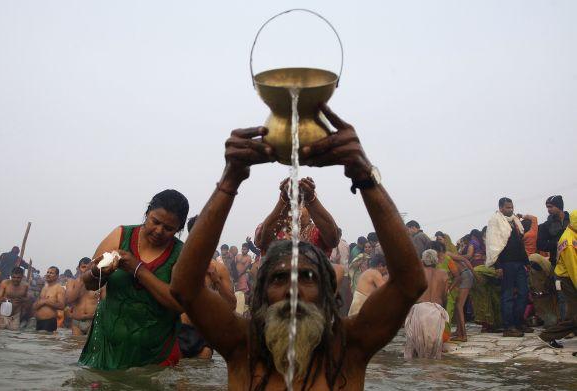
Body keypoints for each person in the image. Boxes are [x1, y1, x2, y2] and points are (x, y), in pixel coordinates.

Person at [170, 106, 427, 390]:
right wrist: (231, 177)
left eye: (307, 277)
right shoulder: (243, 345)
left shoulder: (349, 347)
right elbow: (185, 287)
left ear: (328, 292)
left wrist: (363, 176)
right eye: (279, 278)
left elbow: (409, 283)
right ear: (261, 292)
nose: (293, 290)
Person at [79, 189, 188, 370]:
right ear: (146, 214)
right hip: (106, 347)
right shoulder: (120, 235)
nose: (159, 231)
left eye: (169, 228)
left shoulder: (182, 254)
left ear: (179, 229)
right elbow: (89, 283)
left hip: (155, 353)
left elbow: (179, 304)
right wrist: (100, 272)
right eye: (155, 221)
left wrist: (137, 269)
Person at [179, 215, 236, 360]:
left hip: (203, 333)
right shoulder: (177, 261)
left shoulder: (218, 268)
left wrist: (216, 279)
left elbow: (232, 305)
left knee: (203, 372)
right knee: (179, 378)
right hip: (178, 329)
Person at [255, 177, 339, 256]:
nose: (296, 208)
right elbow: (262, 241)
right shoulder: (268, 227)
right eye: (291, 204)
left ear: (312, 212)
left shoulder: (320, 231)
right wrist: (284, 199)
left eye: (302, 204)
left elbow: (333, 240)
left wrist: (311, 198)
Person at [486, 197, 530, 337]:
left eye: (511, 207)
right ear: (501, 208)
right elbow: (494, 245)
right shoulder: (495, 221)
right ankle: (508, 327)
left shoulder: (515, 222)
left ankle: (518, 322)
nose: (510, 210)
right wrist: (498, 266)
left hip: (519, 262)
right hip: (506, 263)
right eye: (507, 207)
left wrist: (526, 262)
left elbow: (520, 243)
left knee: (523, 292)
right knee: (508, 295)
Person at [539, 210, 577, 348]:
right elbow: (573, 268)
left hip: (568, 277)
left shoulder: (571, 233)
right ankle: (547, 336)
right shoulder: (569, 242)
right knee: (573, 316)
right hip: (568, 279)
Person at [404, 249, 449, 359]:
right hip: (437, 311)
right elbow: (445, 296)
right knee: (435, 352)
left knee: (415, 350)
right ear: (436, 261)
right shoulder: (444, 274)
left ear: (422, 261)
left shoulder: (416, 273)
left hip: (419, 310)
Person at [431, 241, 460, 341]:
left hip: (450, 291)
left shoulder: (447, 260)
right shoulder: (433, 261)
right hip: (438, 291)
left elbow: (457, 277)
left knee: (447, 313)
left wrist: (449, 289)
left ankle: (444, 338)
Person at [65, 257, 97, 336]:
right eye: (83, 267)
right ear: (79, 268)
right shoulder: (72, 282)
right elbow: (69, 299)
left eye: (88, 267)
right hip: (77, 322)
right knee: (76, 345)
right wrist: (82, 281)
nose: (86, 269)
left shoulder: (100, 283)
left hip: (93, 321)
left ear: (93, 268)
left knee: (90, 346)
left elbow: (105, 303)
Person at [537, 195, 569, 267]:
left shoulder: (572, 221)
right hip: (557, 263)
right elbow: (540, 244)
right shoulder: (546, 225)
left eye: (551, 207)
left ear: (559, 206)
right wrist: (556, 244)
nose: (548, 209)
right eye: (547, 207)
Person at [33, 266, 65, 332]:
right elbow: (36, 304)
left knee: (46, 341)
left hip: (49, 321)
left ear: (56, 276)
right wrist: (38, 304)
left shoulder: (59, 288)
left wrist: (46, 302)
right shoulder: (44, 288)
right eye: (47, 272)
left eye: (51, 273)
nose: (48, 274)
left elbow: (62, 306)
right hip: (38, 321)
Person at [234, 243, 253, 315]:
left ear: (248, 250)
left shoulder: (249, 258)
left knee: (242, 294)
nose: (243, 250)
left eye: (245, 249)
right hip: (235, 276)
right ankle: (236, 308)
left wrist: (238, 275)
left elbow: (245, 268)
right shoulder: (237, 256)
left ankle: (243, 310)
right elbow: (234, 265)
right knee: (235, 292)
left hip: (242, 277)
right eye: (242, 249)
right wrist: (234, 275)